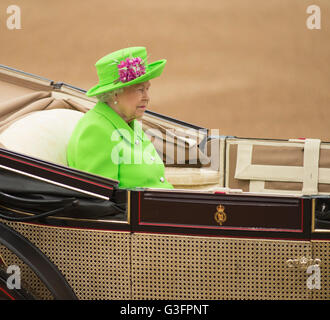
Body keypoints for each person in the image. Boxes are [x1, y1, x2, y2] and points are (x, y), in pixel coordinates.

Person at [67, 47, 173, 189]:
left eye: (147, 89)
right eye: (140, 90)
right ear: (115, 94)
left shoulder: (129, 122)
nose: (147, 98)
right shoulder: (96, 130)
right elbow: (101, 200)